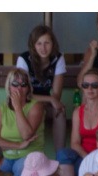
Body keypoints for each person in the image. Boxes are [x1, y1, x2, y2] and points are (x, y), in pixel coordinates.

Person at [16, 25, 67, 153]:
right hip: (25, 104)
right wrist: (49, 99)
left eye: (46, 43)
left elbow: (57, 95)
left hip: (45, 104)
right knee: (38, 110)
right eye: (39, 43)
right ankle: (27, 155)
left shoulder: (58, 59)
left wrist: (50, 100)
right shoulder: (24, 59)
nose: (43, 48)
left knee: (60, 111)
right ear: (33, 45)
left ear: (52, 44)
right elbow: (22, 93)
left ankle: (60, 157)